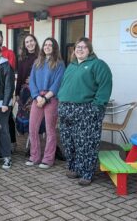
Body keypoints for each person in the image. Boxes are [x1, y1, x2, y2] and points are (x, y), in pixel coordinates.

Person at [58, 37, 112, 186]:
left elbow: (105, 87)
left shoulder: (98, 65)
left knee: (86, 143)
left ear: (90, 49)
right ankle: (74, 168)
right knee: (69, 142)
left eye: (83, 47)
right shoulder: (71, 66)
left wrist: (96, 107)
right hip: (66, 109)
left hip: (86, 109)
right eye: (77, 47)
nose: (80, 49)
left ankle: (87, 173)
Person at [26, 38, 65, 169]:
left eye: (50, 45)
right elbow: (32, 81)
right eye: (46, 45)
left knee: (50, 130)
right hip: (37, 98)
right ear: (43, 47)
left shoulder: (59, 64)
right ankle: (34, 156)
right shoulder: (37, 62)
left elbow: (57, 83)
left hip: (51, 98)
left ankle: (48, 159)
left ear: (54, 48)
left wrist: (46, 98)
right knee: (32, 128)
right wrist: (37, 97)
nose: (47, 47)